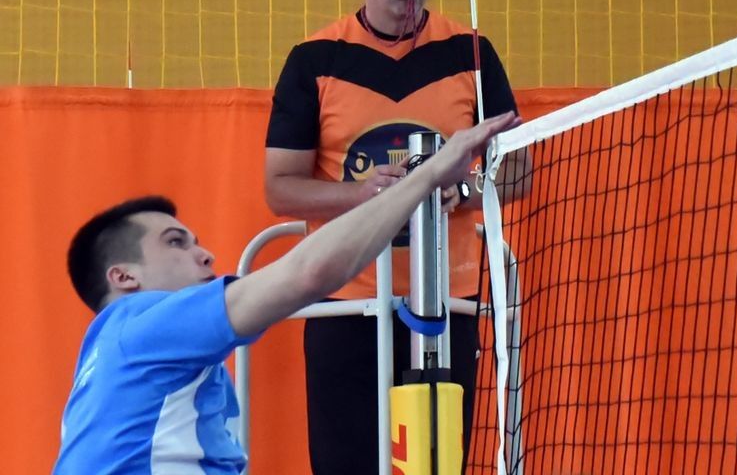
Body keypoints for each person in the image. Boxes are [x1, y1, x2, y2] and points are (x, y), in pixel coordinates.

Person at [54, 112, 518, 475]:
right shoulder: (144, 324)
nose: (206, 255)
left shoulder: (115, 360)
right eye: (176, 243)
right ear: (124, 277)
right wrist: (428, 175)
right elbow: (308, 273)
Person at [263, 0, 529, 475]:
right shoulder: (315, 59)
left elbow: (519, 172)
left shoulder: (471, 53)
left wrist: (463, 188)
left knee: (437, 465)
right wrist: (365, 195)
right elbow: (280, 189)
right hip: (344, 301)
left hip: (447, 304)